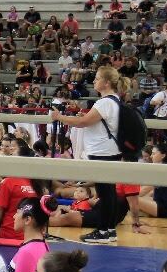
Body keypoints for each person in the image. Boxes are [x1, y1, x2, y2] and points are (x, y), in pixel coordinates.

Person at [50, 66, 125, 244]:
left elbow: (83, 122)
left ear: (106, 83)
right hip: (109, 151)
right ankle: (109, 230)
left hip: (103, 152)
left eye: (97, 78)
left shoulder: (105, 102)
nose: (93, 81)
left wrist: (59, 117)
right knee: (107, 192)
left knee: (106, 193)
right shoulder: (114, 101)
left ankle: (104, 231)